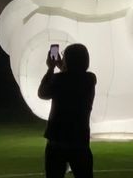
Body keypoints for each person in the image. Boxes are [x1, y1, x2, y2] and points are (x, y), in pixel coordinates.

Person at [38, 44, 97, 178]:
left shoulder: (59, 79)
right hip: (80, 140)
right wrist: (61, 66)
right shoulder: (90, 79)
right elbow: (72, 78)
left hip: (57, 141)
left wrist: (51, 68)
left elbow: (42, 93)